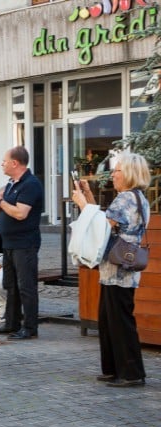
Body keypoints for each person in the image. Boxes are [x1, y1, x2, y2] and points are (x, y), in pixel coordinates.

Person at [71, 151, 151, 387]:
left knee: (119, 321)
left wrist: (83, 204)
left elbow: (100, 227)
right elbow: (105, 221)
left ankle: (131, 373)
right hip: (116, 269)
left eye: (116, 170)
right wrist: (88, 196)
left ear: (128, 173)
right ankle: (114, 369)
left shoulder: (126, 198)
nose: (112, 175)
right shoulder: (135, 197)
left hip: (119, 271)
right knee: (108, 320)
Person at [0, 146, 44, 340]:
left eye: (4, 161)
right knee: (11, 285)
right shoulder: (10, 184)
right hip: (8, 243)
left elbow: (20, 213)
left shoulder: (30, 184)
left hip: (25, 243)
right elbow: (3, 212)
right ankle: (11, 323)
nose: (2, 164)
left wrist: (0, 202)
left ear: (15, 163)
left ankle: (30, 327)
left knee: (26, 286)